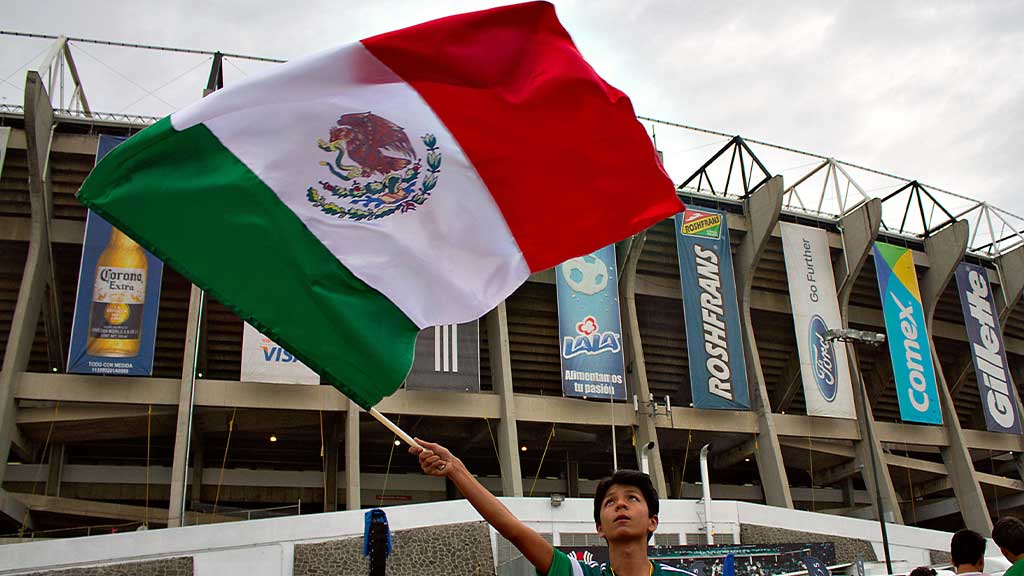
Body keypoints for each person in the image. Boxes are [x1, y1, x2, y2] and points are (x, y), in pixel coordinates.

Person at [410, 438, 688, 576]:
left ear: (652, 521)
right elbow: (514, 531)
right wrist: (456, 470)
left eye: (632, 498)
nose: (621, 505)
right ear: (599, 527)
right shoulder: (579, 574)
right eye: (610, 501)